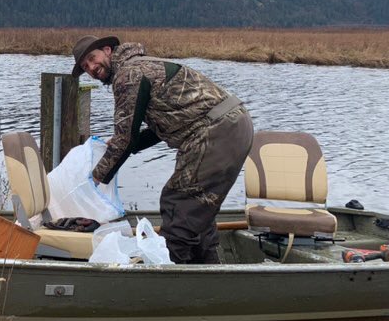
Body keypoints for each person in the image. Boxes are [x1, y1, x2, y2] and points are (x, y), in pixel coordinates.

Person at [71, 34, 254, 264]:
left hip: (215, 130)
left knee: (177, 202)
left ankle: (169, 278)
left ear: (107, 50)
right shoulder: (141, 65)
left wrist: (95, 180)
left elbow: (123, 139)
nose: (91, 68)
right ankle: (207, 272)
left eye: (92, 58)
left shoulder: (129, 75)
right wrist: (128, 143)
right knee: (198, 207)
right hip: (230, 125)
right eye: (85, 67)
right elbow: (161, 125)